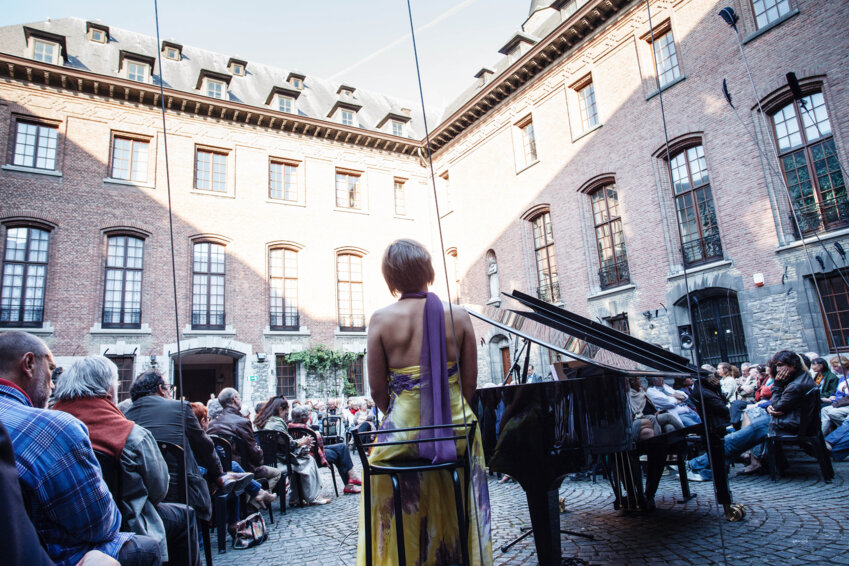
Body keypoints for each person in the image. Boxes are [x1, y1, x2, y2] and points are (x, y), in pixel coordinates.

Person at [357, 239, 493, 565]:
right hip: (456, 429)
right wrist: (444, 410)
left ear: (390, 277)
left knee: (379, 481)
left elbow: (377, 391)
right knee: (458, 481)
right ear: (427, 270)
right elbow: (470, 384)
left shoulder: (380, 319)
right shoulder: (459, 316)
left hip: (402, 433)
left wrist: (405, 416)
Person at [0, 331, 160, 566]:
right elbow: (99, 525)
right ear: (29, 364)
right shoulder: (55, 428)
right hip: (54, 553)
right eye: (50, 370)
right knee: (150, 545)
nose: (52, 383)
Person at [53, 357, 200, 566]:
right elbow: (159, 489)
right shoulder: (132, 435)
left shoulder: (44, 427)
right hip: (125, 526)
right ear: (109, 390)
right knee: (185, 515)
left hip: (56, 529)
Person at [124, 371, 251, 524]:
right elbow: (204, 446)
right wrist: (218, 473)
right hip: (182, 492)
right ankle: (225, 519)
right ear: (160, 389)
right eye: (168, 388)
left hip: (141, 496)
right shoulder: (180, 408)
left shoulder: (125, 415)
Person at [190, 402, 277, 509]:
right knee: (233, 471)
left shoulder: (189, 437)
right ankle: (254, 502)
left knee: (234, 470)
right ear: (203, 422)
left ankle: (258, 494)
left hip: (199, 476)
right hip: (208, 478)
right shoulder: (205, 440)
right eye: (208, 419)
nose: (210, 421)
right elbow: (218, 464)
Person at [254, 397, 329, 505]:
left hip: (269, 461)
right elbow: (289, 444)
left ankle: (295, 497)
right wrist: (302, 442)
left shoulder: (262, 421)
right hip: (280, 461)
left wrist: (299, 442)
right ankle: (313, 496)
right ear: (280, 409)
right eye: (286, 411)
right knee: (309, 460)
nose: (286, 414)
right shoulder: (277, 423)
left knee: (300, 462)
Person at [207, 388, 282, 493]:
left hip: (222, 469)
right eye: (239, 397)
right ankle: (256, 500)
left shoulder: (212, 424)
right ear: (235, 399)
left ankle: (255, 496)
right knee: (276, 473)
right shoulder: (242, 422)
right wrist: (260, 458)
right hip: (245, 469)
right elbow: (255, 453)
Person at [288, 404, 361, 494]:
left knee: (342, 447)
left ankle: (351, 479)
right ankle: (350, 482)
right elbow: (319, 442)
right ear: (303, 418)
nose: (309, 418)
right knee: (340, 453)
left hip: (309, 452)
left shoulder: (290, 427)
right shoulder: (306, 429)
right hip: (314, 456)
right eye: (308, 416)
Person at [821, 356, 849, 436]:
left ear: (843, 365)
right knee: (824, 410)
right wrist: (832, 397)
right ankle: (822, 435)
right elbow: (837, 393)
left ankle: (844, 430)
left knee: (833, 413)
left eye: (835, 366)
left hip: (845, 403)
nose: (834, 369)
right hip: (840, 401)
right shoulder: (842, 378)